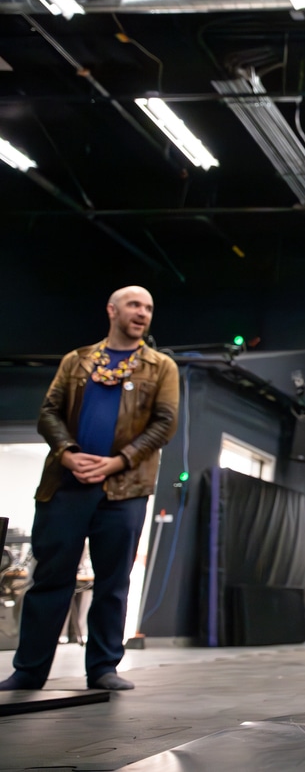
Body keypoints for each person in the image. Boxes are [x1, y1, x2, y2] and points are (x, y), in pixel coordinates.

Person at [0, 286, 179, 692]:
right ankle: (29, 670)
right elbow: (48, 412)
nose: (142, 313)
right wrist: (67, 453)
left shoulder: (160, 367)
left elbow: (165, 423)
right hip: (65, 484)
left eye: (149, 308)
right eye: (134, 305)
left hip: (125, 488)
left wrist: (119, 461)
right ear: (112, 310)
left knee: (112, 582)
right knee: (50, 578)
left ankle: (102, 669)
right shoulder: (77, 360)